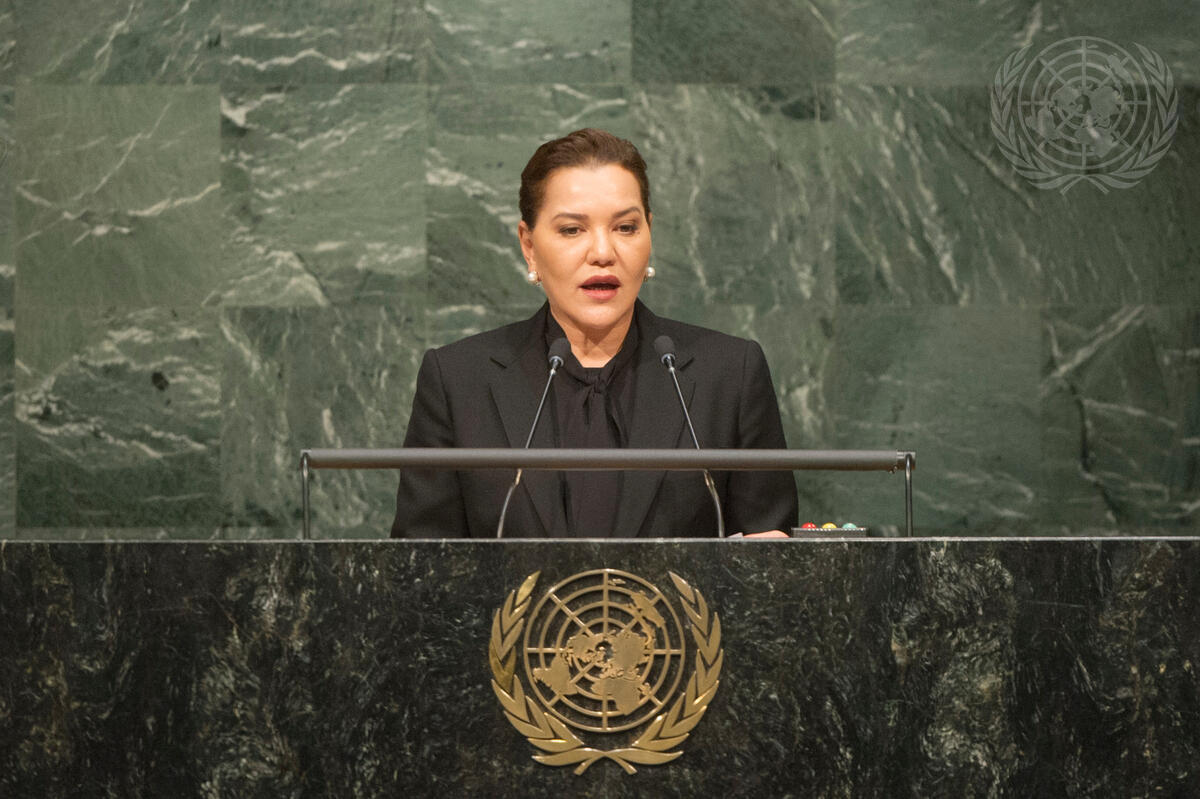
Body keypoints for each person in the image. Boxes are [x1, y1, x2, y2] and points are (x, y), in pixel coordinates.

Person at [391, 128, 797, 538]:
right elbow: (419, 565)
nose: (603, 253)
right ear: (529, 246)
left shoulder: (729, 375)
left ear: (650, 233)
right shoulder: (458, 380)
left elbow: (773, 559)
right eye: (572, 230)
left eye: (626, 227)